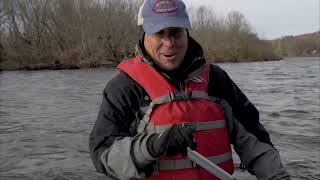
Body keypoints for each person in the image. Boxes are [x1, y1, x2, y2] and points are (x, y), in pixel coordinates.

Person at [89, 0, 290, 179]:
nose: (169, 43)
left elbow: (254, 141)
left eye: (176, 32)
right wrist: (151, 146)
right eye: (159, 33)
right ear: (145, 35)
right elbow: (102, 155)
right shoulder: (125, 86)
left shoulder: (217, 80)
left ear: (187, 32)